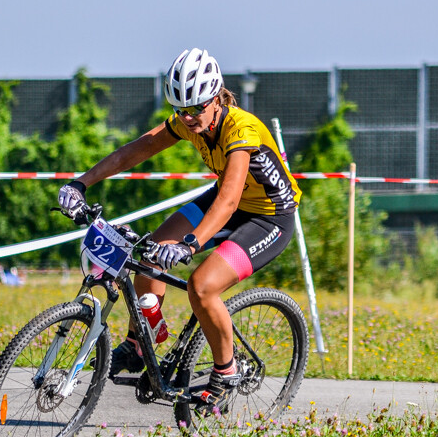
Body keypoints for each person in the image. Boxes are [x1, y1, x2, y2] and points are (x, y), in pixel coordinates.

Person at [57, 48, 302, 406]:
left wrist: (190, 245)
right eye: (180, 110)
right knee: (151, 252)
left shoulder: (241, 128)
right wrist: (80, 183)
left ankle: (226, 370)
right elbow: (134, 151)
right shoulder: (191, 120)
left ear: (216, 99)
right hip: (225, 202)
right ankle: (141, 344)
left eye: (196, 109)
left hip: (268, 216)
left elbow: (231, 199)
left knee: (201, 286)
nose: (188, 118)